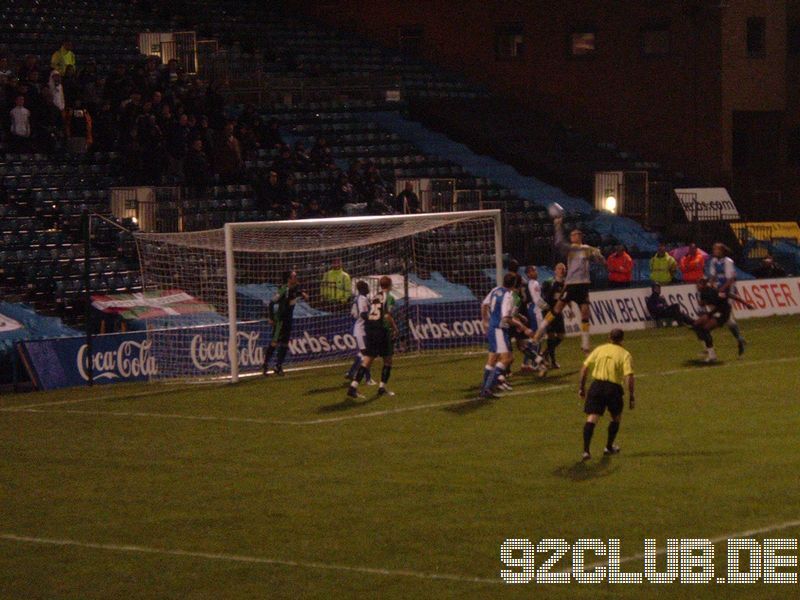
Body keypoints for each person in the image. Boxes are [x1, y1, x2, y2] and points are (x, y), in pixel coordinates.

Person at [533, 216, 605, 354]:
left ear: (580, 236)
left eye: (576, 234)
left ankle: (585, 344)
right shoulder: (571, 249)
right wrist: (558, 226)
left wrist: (599, 256)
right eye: (572, 234)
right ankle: (540, 331)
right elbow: (559, 242)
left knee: (585, 313)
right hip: (571, 284)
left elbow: (600, 260)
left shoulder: (587, 249)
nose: (574, 236)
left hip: (583, 285)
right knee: (557, 309)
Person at [579, 328, 635, 461]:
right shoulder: (625, 354)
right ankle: (609, 447)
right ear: (622, 339)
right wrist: (631, 395)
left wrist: (581, 387)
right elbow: (629, 376)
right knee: (616, 418)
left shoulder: (600, 349)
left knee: (592, 418)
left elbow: (584, 368)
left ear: (609, 337)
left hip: (596, 386)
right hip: (613, 389)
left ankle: (586, 451)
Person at [479, 272, 534, 399]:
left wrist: (485, 321)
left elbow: (484, 304)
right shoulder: (508, 296)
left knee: (492, 359)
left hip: (493, 327)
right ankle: (489, 386)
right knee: (507, 358)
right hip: (499, 329)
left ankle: (485, 388)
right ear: (514, 284)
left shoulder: (495, 289)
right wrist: (523, 327)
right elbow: (506, 318)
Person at [348, 276, 400, 398]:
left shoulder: (375, 296)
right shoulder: (389, 297)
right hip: (381, 330)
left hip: (371, 330)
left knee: (367, 360)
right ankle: (382, 387)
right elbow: (387, 315)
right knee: (387, 360)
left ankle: (353, 387)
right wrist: (395, 328)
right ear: (390, 285)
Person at [692, 277, 752, 362]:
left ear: (704, 285)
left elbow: (730, 295)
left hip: (723, 313)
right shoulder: (703, 293)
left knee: (734, 333)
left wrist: (746, 304)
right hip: (716, 312)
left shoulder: (713, 292)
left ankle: (739, 345)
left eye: (698, 284)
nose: (696, 286)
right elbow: (703, 304)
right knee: (698, 326)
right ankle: (708, 349)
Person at [262, 271, 308, 376]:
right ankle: (265, 364)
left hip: (288, 320)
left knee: (285, 343)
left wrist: (302, 294)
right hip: (280, 320)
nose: (296, 278)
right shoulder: (283, 289)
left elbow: (295, 293)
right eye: (294, 276)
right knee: (274, 342)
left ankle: (278, 366)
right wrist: (271, 318)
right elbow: (271, 303)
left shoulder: (294, 289)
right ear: (289, 279)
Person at [707, 242, 747, 355]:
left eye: (716, 249)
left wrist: (722, 289)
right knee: (725, 318)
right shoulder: (714, 261)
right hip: (719, 291)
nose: (714, 251)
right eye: (714, 249)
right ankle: (739, 339)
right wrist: (710, 286)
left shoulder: (728, 262)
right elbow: (713, 277)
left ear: (722, 251)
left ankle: (738, 339)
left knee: (727, 318)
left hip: (728, 291)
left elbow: (730, 280)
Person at [345, 280, 374, 385]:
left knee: (364, 353)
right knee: (366, 354)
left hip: (361, 330)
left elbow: (353, 314)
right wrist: (373, 319)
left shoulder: (357, 299)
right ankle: (367, 379)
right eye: (367, 287)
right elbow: (363, 314)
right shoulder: (362, 299)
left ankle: (351, 372)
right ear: (363, 289)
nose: (368, 289)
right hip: (361, 330)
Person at [539, 263, 567, 369]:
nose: (562, 270)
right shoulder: (549, 282)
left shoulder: (565, 284)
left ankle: (545, 353)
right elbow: (545, 298)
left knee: (561, 335)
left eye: (564, 269)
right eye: (559, 268)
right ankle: (553, 362)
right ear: (555, 270)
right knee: (551, 336)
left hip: (558, 312)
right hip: (548, 312)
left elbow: (564, 297)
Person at [520, 266, 546, 372]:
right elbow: (537, 299)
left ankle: (526, 362)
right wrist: (547, 307)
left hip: (532, 309)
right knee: (537, 337)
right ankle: (534, 363)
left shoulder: (531, 283)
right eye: (533, 271)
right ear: (528, 273)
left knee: (535, 336)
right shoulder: (533, 283)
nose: (536, 272)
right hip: (536, 311)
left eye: (535, 270)